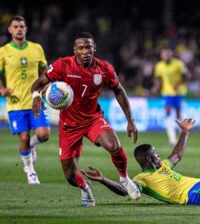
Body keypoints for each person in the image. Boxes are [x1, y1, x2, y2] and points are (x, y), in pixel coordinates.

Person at [31, 32, 140, 207]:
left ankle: (125, 178)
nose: (85, 51)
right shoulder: (63, 65)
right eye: (81, 48)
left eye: (88, 47)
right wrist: (36, 96)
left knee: (114, 145)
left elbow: (118, 90)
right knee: (71, 176)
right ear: (75, 50)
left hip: (92, 119)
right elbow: (38, 83)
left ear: (94, 48)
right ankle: (86, 188)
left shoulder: (104, 68)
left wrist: (130, 120)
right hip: (68, 126)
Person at [0, 15, 50, 185]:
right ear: (10, 30)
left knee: (44, 135)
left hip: (35, 100)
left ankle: (32, 145)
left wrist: (43, 91)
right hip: (15, 102)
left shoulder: (37, 48)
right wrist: (2, 89)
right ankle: (30, 171)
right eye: (15, 26)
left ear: (26, 29)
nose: (19, 29)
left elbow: (45, 72)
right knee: (23, 138)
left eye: (22, 26)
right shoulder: (3, 51)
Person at [152, 49, 188, 146]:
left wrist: (178, 84)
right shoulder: (159, 66)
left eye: (167, 55)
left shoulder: (178, 64)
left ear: (170, 55)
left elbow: (185, 76)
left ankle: (183, 136)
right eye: (163, 55)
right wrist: (156, 87)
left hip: (178, 92)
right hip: (167, 92)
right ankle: (172, 139)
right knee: (167, 113)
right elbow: (159, 78)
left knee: (178, 114)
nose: (165, 57)